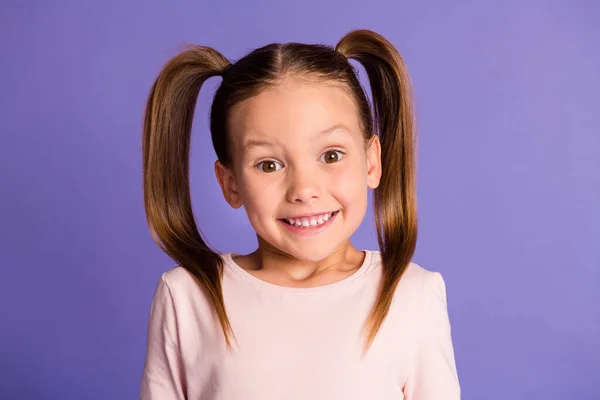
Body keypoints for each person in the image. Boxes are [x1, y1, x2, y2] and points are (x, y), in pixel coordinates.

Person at [139, 29, 460, 399]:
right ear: (230, 184)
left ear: (372, 160)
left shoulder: (413, 295)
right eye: (269, 164)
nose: (304, 190)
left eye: (331, 156)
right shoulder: (187, 299)